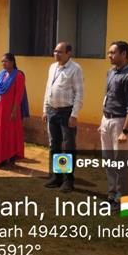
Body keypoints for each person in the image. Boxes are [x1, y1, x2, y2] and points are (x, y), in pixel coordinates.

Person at [100, 41, 128, 211]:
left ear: (124, 54)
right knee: (108, 161)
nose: (109, 55)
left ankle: (122, 199)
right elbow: (108, 97)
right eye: (109, 52)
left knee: (120, 163)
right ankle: (112, 195)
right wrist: (102, 121)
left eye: (113, 53)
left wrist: (125, 130)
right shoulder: (111, 72)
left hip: (120, 122)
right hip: (106, 120)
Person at [42, 42, 84, 192]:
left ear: (68, 53)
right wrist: (45, 109)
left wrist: (74, 115)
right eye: (55, 51)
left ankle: (68, 180)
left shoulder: (75, 69)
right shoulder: (52, 67)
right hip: (52, 111)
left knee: (68, 146)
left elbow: (79, 93)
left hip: (67, 113)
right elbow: (48, 88)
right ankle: (57, 177)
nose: (56, 54)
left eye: (60, 52)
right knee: (54, 145)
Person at [0, 53, 26, 168]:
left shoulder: (18, 76)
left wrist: (14, 111)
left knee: (9, 134)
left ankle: (9, 157)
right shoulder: (1, 74)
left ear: (12, 62)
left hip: (10, 110)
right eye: (2, 61)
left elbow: (18, 95)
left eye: (5, 61)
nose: (3, 64)